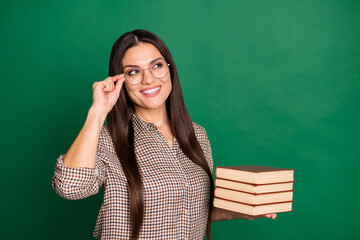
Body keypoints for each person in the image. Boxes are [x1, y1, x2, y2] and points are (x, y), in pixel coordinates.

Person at [52, 29, 277, 240]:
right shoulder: (106, 139)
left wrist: (236, 211)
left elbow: (192, 212)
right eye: (133, 72)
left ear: (169, 69)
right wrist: (98, 112)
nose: (148, 79)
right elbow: (71, 188)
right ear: (119, 81)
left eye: (156, 66)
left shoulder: (197, 135)